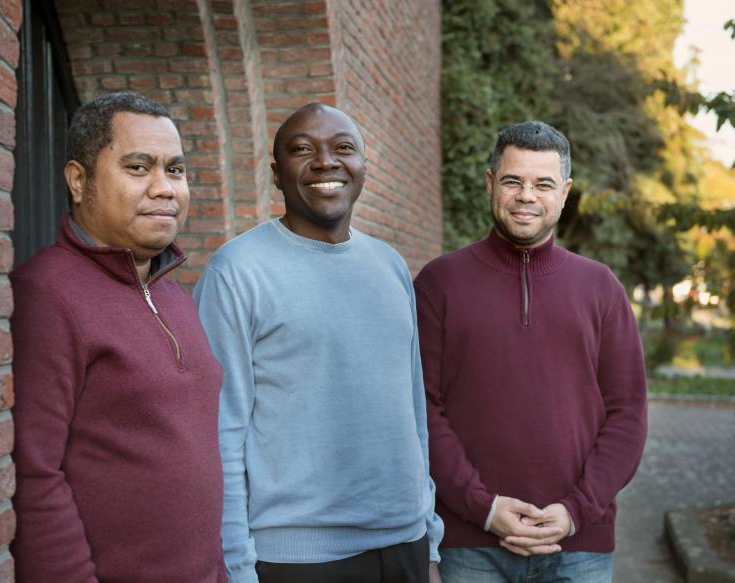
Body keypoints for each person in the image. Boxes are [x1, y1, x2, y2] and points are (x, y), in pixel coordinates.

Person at [193, 103, 444, 583]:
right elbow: (220, 433)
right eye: (303, 150)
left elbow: (413, 413)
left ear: (363, 167)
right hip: (295, 559)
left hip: (405, 545)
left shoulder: (390, 266)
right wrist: (238, 568)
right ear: (275, 174)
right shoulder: (236, 272)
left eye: (343, 148)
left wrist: (428, 541)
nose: (326, 161)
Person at [414, 121, 648, 582]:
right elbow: (421, 408)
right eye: (512, 181)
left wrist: (576, 510)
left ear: (564, 192)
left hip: (579, 545)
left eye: (543, 184)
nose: (526, 196)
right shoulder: (440, 284)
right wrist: (484, 508)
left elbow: (628, 413)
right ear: (490, 184)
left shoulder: (600, 287)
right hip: (471, 544)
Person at [10, 92, 226, 583]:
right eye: (138, 168)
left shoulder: (174, 294)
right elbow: (33, 474)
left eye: (175, 170)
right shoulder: (46, 294)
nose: (165, 188)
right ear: (79, 180)